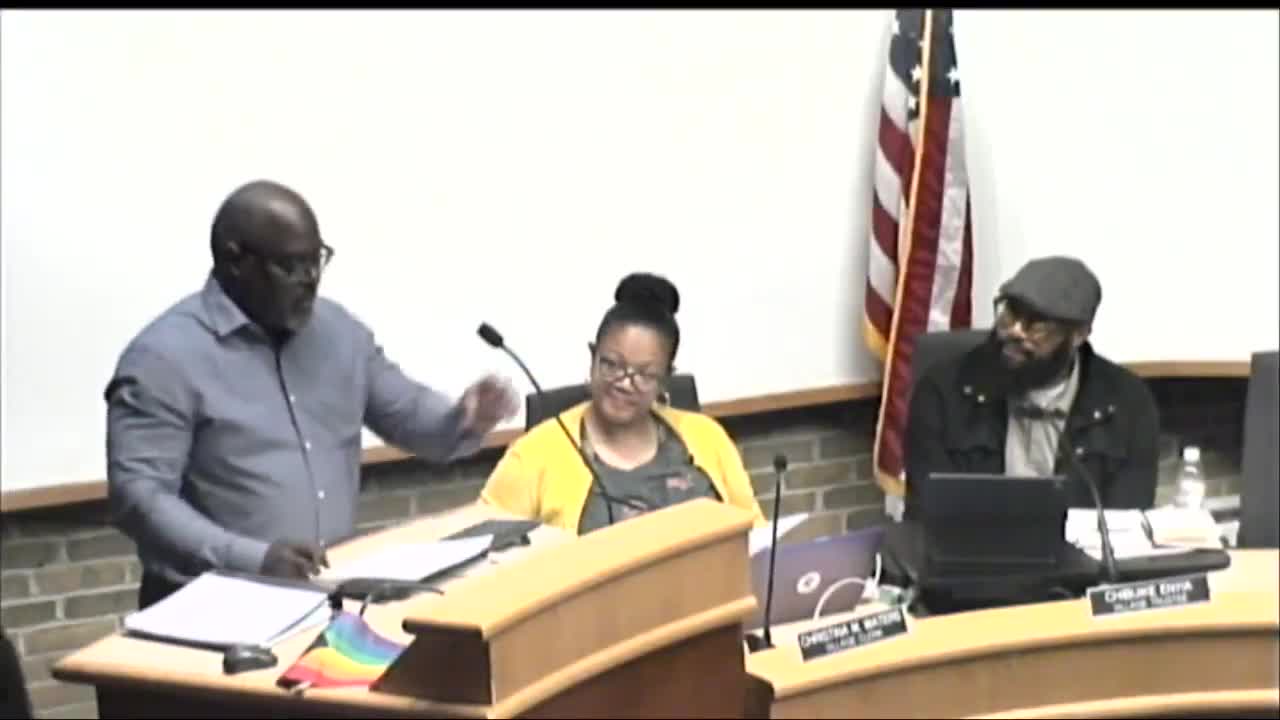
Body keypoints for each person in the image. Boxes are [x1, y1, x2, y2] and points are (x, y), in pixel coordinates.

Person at [105, 180, 519, 609]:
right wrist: (254, 558)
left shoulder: (338, 332)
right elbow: (139, 497)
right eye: (290, 266)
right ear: (235, 260)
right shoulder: (164, 358)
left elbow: (406, 413)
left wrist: (462, 418)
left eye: (316, 261)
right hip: (210, 606)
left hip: (326, 591)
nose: (310, 281)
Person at [480, 273, 766, 534]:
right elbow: (481, 551)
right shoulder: (533, 456)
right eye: (612, 365)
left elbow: (756, 538)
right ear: (593, 356)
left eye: (644, 374)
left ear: (665, 379)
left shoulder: (708, 437)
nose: (625, 383)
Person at [904, 256, 1159, 517]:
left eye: (1037, 324)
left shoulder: (1127, 404)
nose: (1015, 331)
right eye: (1010, 313)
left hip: (1077, 543)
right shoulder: (944, 391)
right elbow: (929, 512)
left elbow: (1126, 520)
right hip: (969, 540)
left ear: (1078, 335)